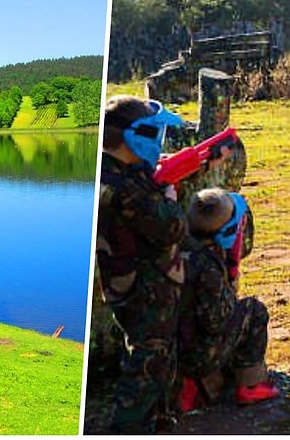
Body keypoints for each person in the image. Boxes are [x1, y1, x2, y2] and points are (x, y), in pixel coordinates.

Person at [94, 95, 187, 433]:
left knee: (149, 356)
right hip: (142, 287)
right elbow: (171, 228)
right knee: (147, 363)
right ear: (136, 138)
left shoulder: (111, 172)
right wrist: (170, 199)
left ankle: (157, 422)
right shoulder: (126, 189)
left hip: (124, 283)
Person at [176, 188, 279, 414]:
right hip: (194, 357)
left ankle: (191, 385)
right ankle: (251, 385)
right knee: (254, 310)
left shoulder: (177, 248)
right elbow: (216, 321)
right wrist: (230, 290)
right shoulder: (208, 266)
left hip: (165, 353)